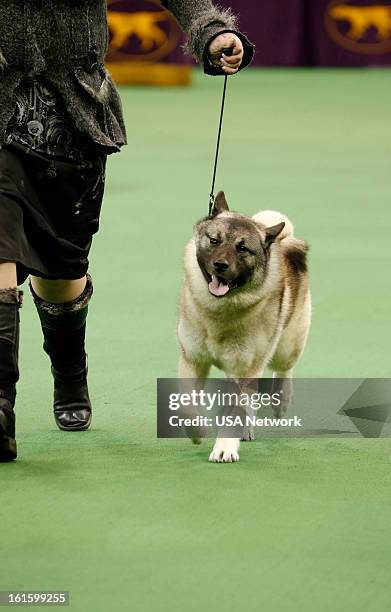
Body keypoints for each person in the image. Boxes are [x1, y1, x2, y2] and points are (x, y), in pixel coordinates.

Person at [0, 1, 254, 462]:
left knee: (61, 272)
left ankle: (70, 374)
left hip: (74, 123)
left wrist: (211, 31)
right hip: (3, 110)